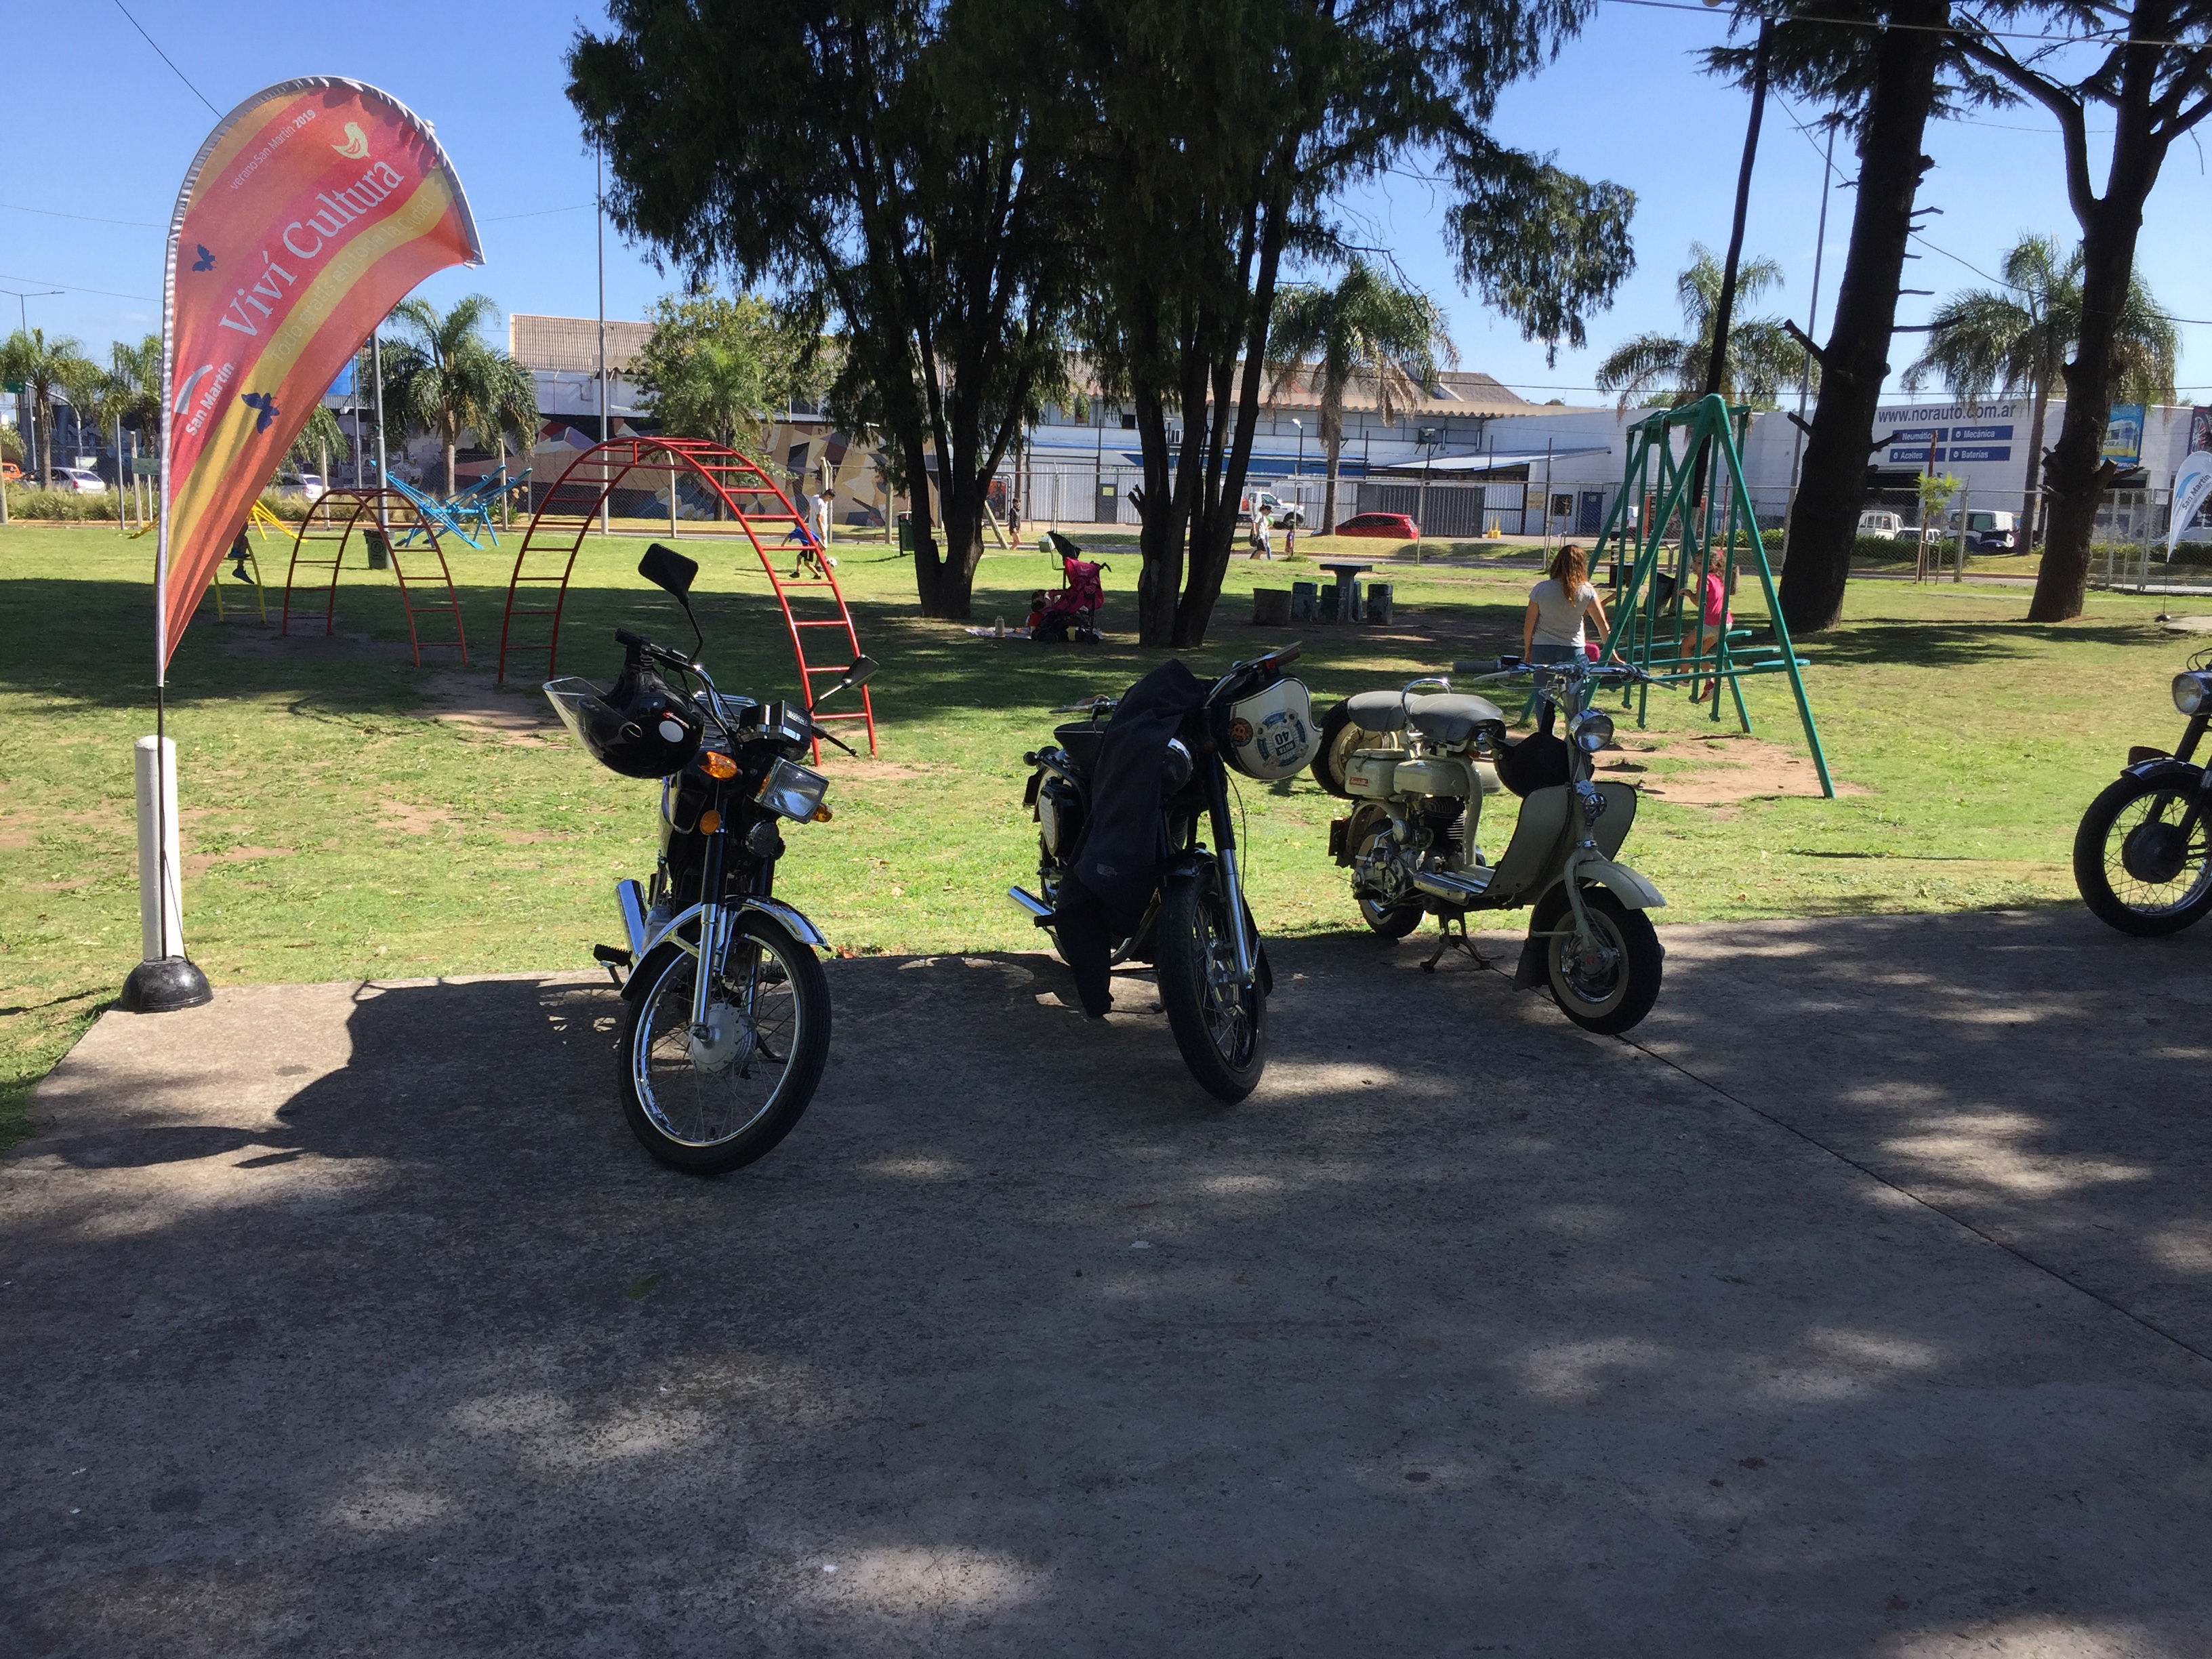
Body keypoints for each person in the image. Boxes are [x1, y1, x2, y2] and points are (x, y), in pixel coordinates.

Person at [1521, 542, 1609, 666]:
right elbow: (1602, 624)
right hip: (1574, 647)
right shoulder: (1587, 590)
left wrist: (1528, 650)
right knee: (1574, 679)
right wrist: (1612, 652)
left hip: (1543, 646)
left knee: (1543, 679)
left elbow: (1528, 626)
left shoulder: (1541, 588)